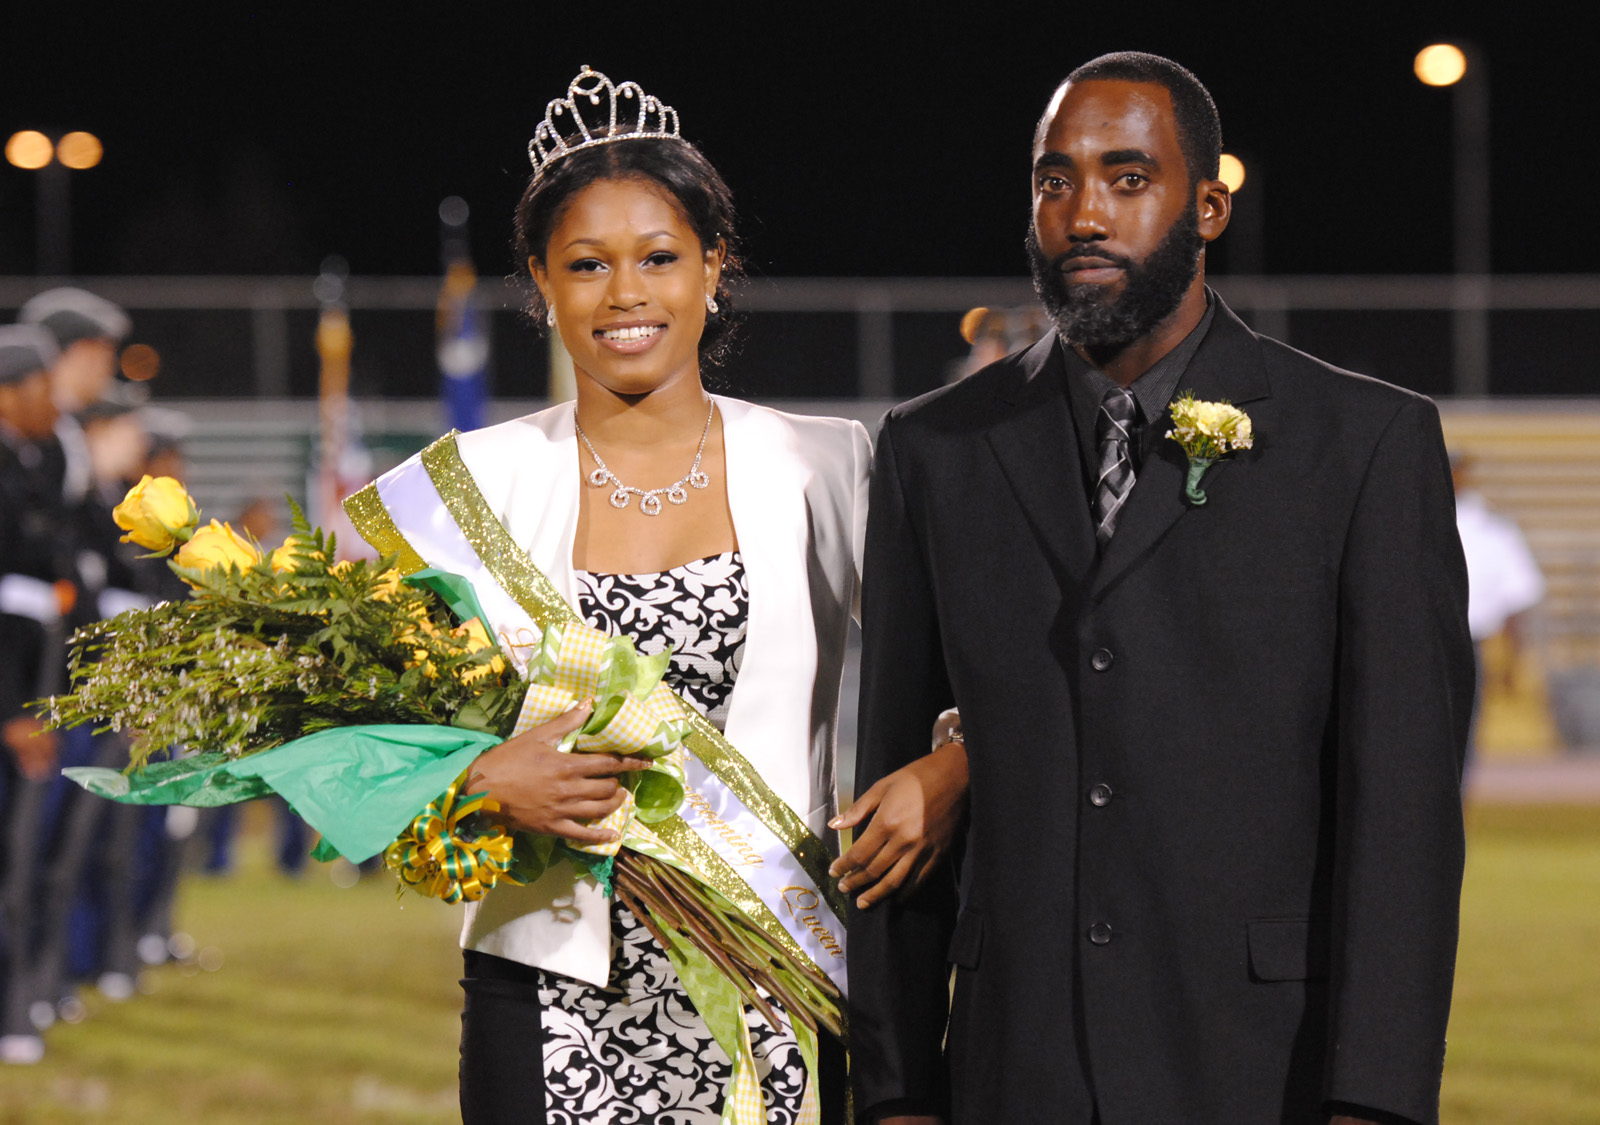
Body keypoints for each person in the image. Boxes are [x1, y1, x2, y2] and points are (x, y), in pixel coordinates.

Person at [848, 52, 1473, 1125]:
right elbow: (891, 790)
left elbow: (1403, 815)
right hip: (1015, 1070)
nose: (1085, 214)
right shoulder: (933, 449)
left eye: (1128, 178)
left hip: (1261, 1071)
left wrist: (1373, 1101)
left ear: (1209, 207)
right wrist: (897, 1094)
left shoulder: (1366, 444)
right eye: (1055, 182)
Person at [344, 66, 967, 1125]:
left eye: (660, 258)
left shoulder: (822, 464)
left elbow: (975, 659)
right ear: (541, 282)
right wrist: (475, 777)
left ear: (714, 266)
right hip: (545, 980)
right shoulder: (466, 484)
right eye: (587, 264)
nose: (625, 293)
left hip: (771, 966)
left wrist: (953, 767)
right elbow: (336, 721)